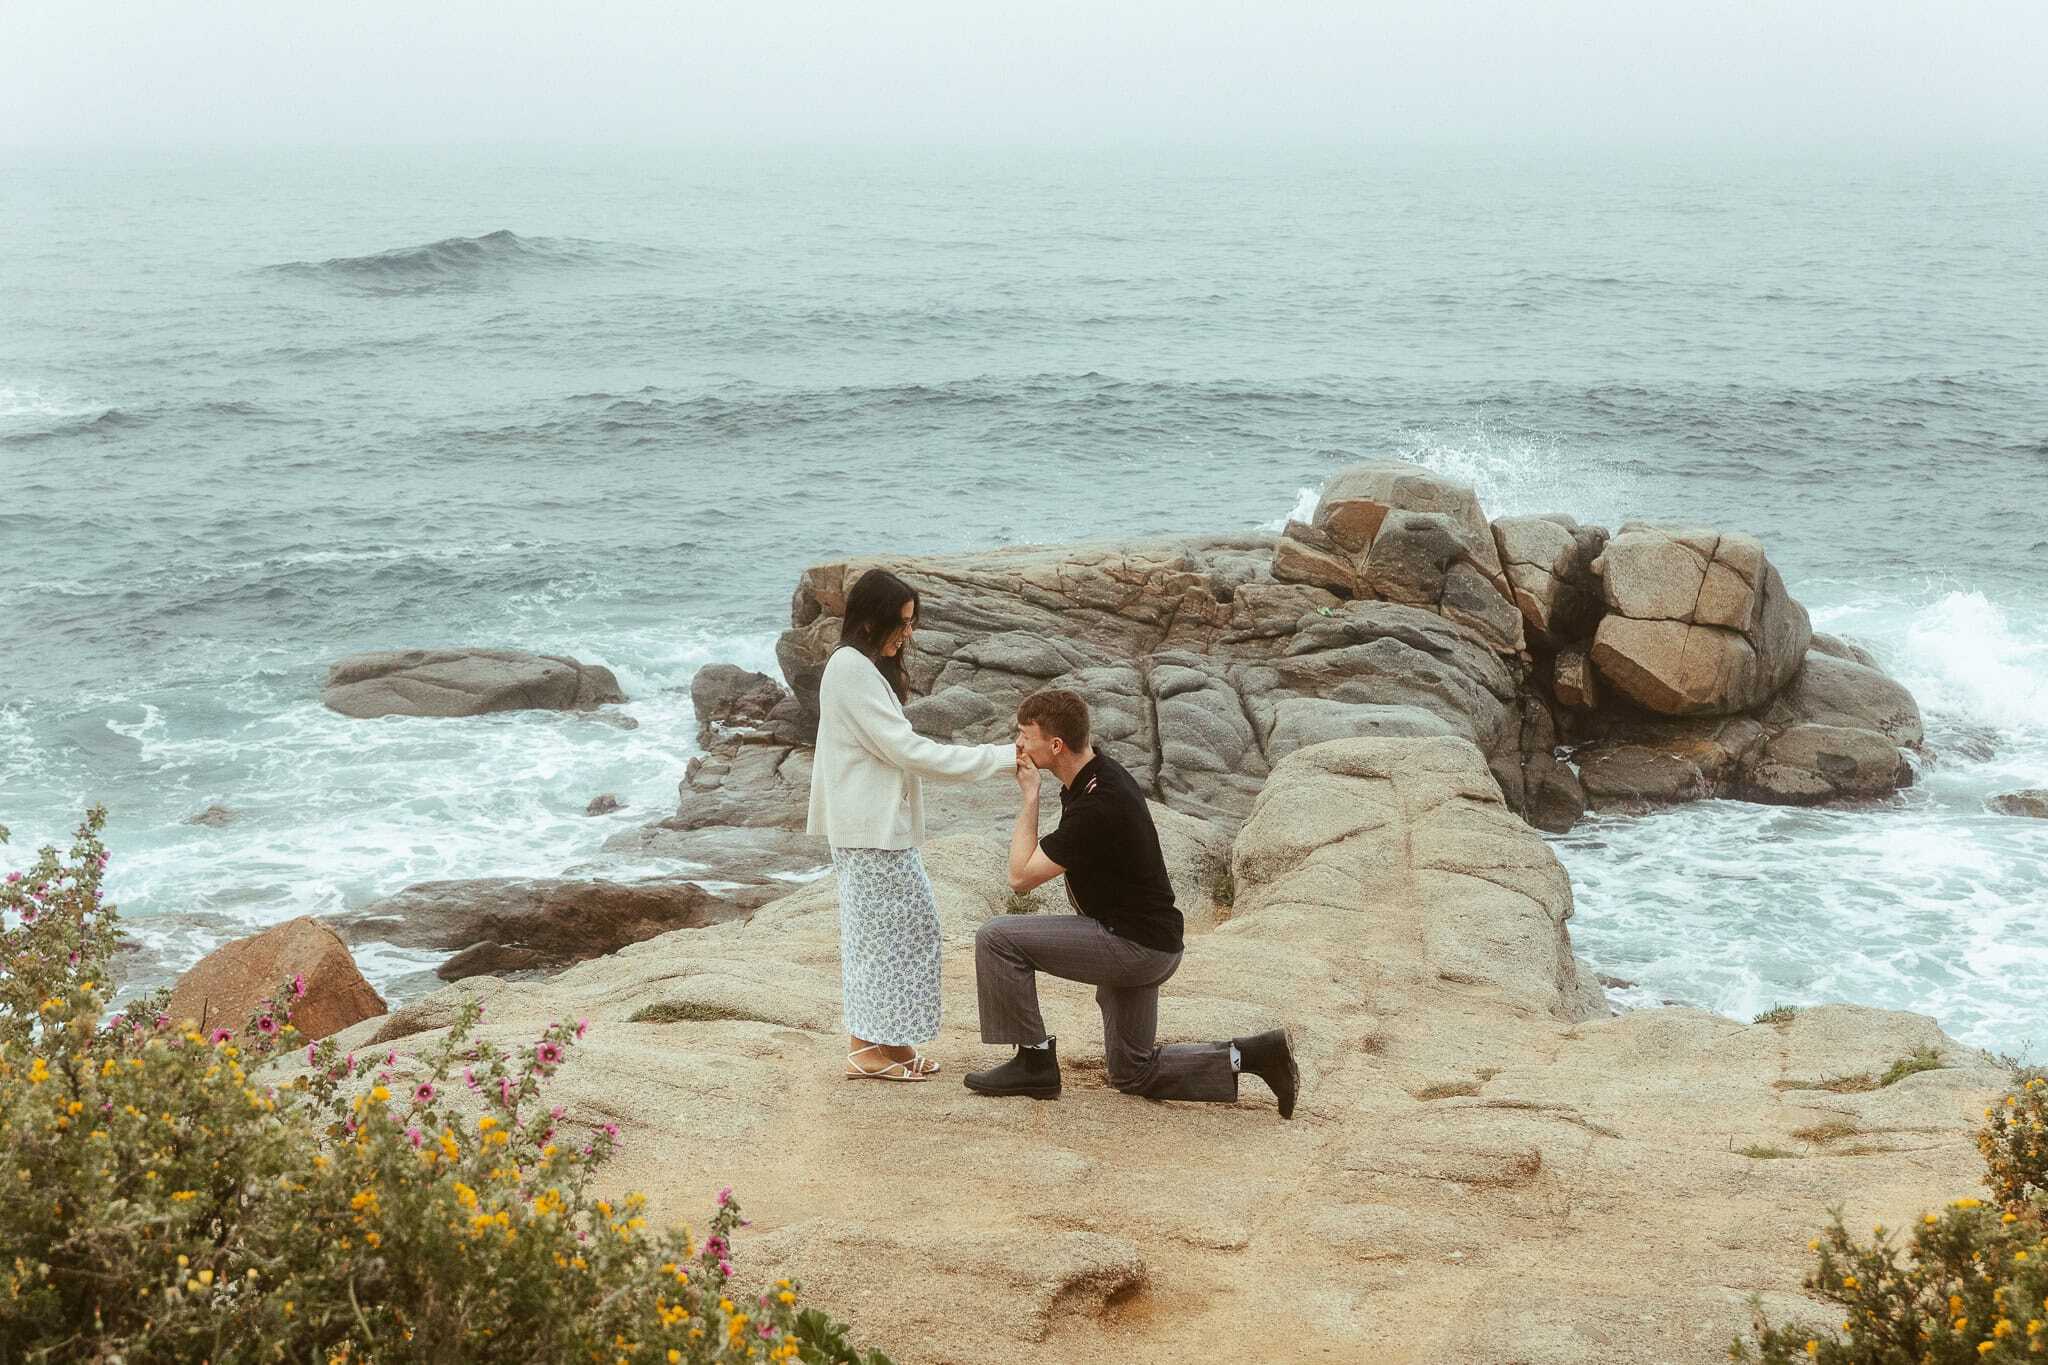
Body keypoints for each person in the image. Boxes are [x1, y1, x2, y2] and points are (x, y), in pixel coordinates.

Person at [964, 687, 1299, 1117]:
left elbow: (1019, 877)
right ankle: (1254, 1056)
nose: (1017, 745)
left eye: (1024, 735)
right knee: (1131, 1072)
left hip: (1133, 945)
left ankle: (1033, 1062)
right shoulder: (1097, 774)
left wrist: (1030, 796)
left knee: (996, 938)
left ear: (1055, 745)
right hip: (1152, 941)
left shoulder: (1098, 805)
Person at [807, 568, 1014, 1082]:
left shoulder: (859, 666)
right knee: (883, 937)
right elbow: (906, 750)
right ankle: (864, 1049)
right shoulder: (850, 669)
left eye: (912, 622)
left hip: (875, 825)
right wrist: (1001, 758)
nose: (909, 632)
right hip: (868, 828)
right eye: (902, 622)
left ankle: (891, 1041)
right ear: (873, 621)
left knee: (906, 930)